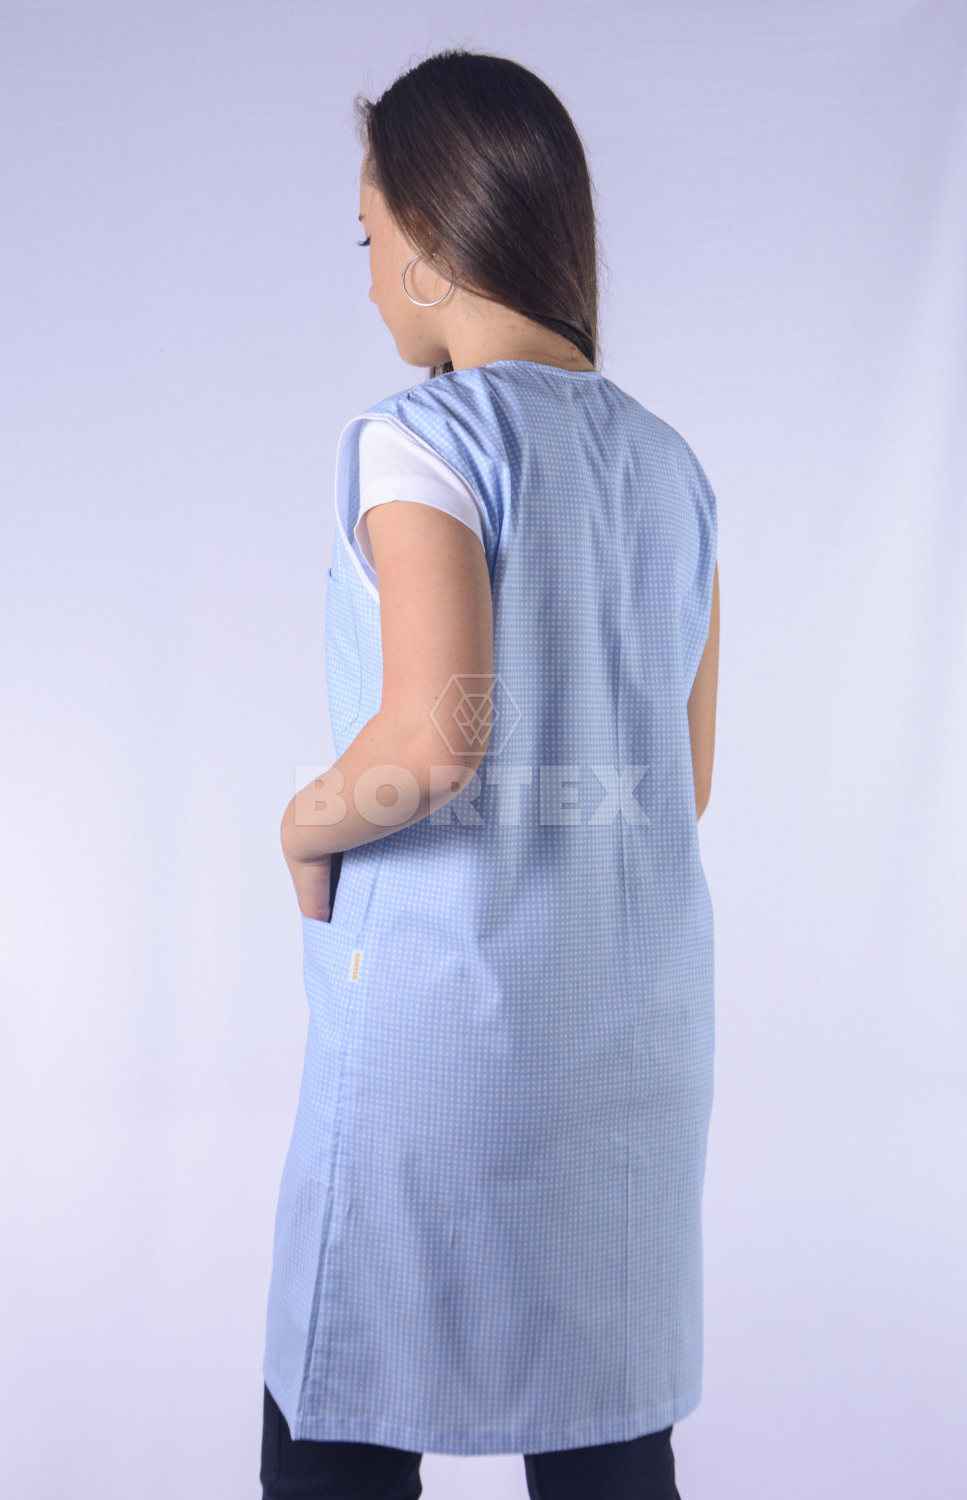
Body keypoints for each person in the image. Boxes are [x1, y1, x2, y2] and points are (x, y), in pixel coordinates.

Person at [261, 47, 720, 1500]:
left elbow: (435, 740)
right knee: (604, 1439)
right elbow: (684, 779)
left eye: (367, 238)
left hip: (446, 1041)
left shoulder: (424, 446)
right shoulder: (673, 469)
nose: (367, 278)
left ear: (429, 238)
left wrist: (303, 825)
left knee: (340, 1419)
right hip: (626, 1045)